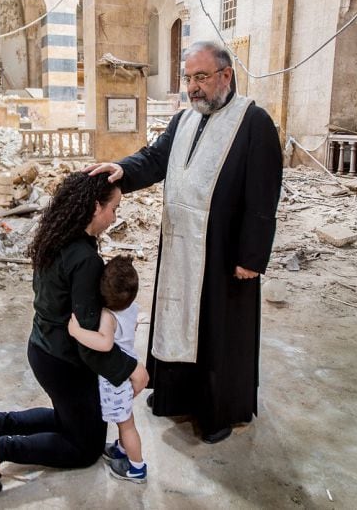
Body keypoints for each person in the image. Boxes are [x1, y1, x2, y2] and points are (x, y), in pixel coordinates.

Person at [87, 40, 282, 444]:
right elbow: (154, 159)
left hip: (224, 253)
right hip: (180, 246)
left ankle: (217, 410)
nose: (193, 87)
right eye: (188, 78)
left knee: (218, 331)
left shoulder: (254, 122)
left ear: (225, 75)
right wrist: (120, 169)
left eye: (201, 77)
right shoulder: (184, 121)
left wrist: (252, 255)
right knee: (178, 320)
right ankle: (178, 395)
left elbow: (264, 196)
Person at [0, 173, 149, 495]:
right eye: (114, 208)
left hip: (42, 348)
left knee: (72, 419)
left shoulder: (59, 238)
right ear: (96, 207)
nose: (115, 216)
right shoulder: (86, 260)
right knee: (85, 447)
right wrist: (131, 368)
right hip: (63, 361)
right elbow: (89, 342)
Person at [68, 255, 147, 483]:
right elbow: (131, 328)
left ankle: (137, 467)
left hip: (116, 378)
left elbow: (105, 343)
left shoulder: (108, 316)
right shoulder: (132, 308)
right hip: (128, 364)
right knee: (125, 420)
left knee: (126, 424)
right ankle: (122, 451)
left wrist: (77, 332)